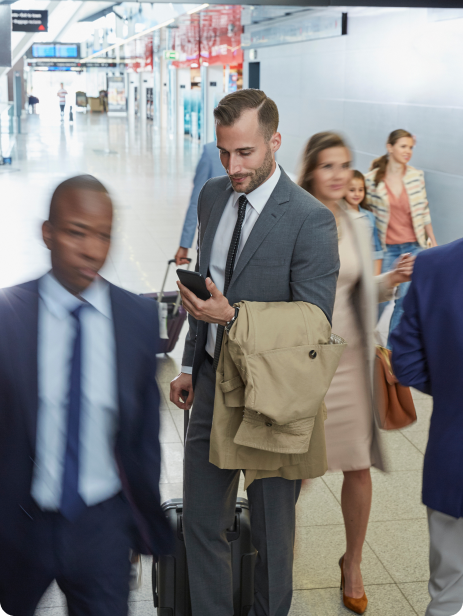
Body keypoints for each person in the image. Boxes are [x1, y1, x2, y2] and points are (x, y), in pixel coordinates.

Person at [170, 89, 340, 616]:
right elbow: (211, 286)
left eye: (244, 152)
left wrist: (233, 317)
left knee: (271, 537)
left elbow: (315, 323)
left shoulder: (309, 220)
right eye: (224, 152)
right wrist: (188, 362)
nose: (232, 165)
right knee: (201, 523)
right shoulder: (213, 195)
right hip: (211, 378)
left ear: (274, 142)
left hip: (273, 395)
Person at [0, 175, 172, 616]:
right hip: (20, 526)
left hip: (101, 528)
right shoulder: (9, 320)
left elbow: (142, 435)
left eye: (104, 235)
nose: (93, 250)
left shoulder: (134, 318)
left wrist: (135, 527)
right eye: (78, 232)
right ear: (48, 233)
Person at [299, 132, 414, 615]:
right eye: (328, 166)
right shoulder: (298, 221)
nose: (339, 174)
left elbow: (359, 291)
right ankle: (272, 548)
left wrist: (389, 280)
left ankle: (354, 564)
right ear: (310, 172)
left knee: (357, 467)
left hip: (352, 360)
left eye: (344, 165)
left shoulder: (356, 221)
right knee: (295, 472)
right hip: (307, 365)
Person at [390, 240, 463, 616]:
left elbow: (405, 361)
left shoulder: (434, 264)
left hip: (454, 456)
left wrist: (454, 395)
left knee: (449, 592)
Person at [365, 129, 436, 344]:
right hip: (387, 250)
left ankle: (390, 355)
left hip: (414, 247)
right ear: (390, 147)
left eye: (411, 147)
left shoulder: (416, 176)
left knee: (404, 303)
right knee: (375, 301)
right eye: (403, 146)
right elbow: (367, 216)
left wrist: (431, 241)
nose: (408, 151)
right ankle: (363, 345)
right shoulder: (371, 180)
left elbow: (423, 211)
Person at [175, 141, 226, 266]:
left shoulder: (265, 149)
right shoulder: (211, 152)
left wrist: (184, 245)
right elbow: (197, 200)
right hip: (213, 243)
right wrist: (184, 243)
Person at [345, 170, 383, 275]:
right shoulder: (339, 215)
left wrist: (376, 276)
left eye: (360, 190)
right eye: (352, 190)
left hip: (365, 270)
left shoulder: (369, 216)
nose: (357, 194)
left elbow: (376, 249)